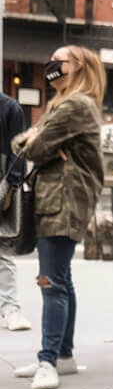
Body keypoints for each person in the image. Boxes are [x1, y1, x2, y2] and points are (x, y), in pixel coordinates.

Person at [10, 45, 106, 389]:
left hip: (63, 201)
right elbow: (25, 144)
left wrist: (34, 140)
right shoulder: (64, 104)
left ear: (78, 66)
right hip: (57, 199)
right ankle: (63, 356)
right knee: (61, 279)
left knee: (50, 282)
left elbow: (31, 149)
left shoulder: (75, 105)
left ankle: (47, 361)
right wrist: (34, 140)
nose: (50, 65)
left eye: (58, 60)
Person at [0, 87, 30, 332]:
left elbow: (19, 153)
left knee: (3, 248)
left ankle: (11, 309)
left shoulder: (10, 108)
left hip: (2, 185)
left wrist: (11, 188)